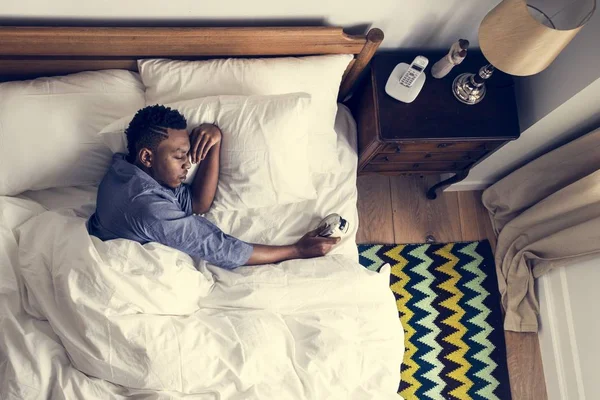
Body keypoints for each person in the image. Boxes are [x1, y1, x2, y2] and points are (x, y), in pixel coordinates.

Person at [88, 105, 339, 269]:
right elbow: (222, 248)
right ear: (146, 157)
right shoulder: (148, 208)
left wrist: (214, 143)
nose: (188, 164)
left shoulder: (124, 167)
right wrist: (296, 250)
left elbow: (198, 203)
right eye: (179, 157)